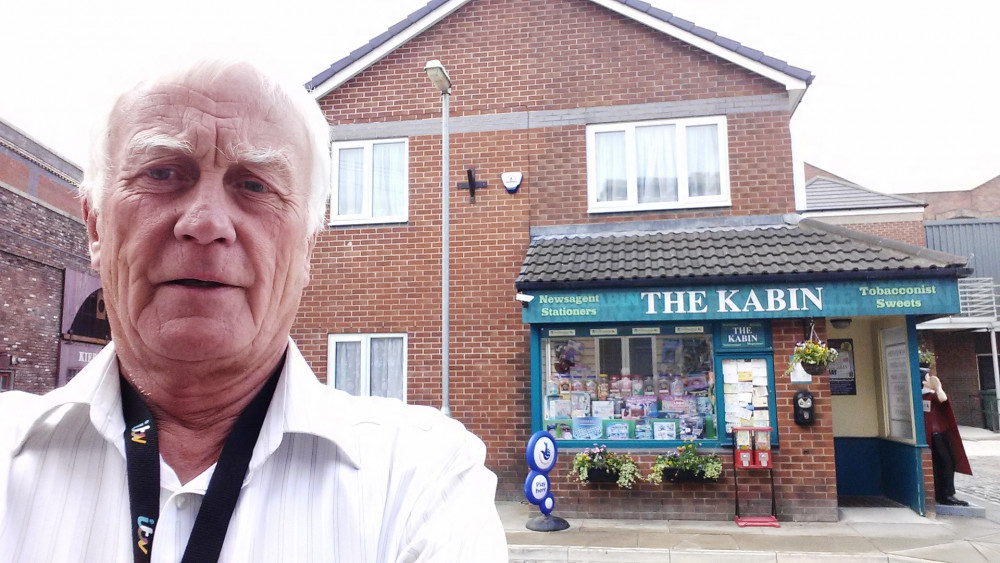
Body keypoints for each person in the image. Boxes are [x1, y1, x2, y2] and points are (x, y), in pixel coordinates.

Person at [0, 60, 508, 562]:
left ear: (308, 246)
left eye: (255, 185)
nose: (205, 223)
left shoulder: (421, 483)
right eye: (162, 172)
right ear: (94, 225)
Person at [921, 368, 972, 507]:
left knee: (943, 463)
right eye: (928, 376)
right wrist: (938, 387)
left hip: (938, 434)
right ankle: (946, 494)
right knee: (946, 462)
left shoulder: (926, 396)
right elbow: (943, 398)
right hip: (936, 435)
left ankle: (945, 492)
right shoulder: (930, 396)